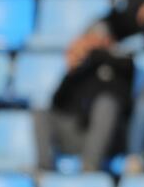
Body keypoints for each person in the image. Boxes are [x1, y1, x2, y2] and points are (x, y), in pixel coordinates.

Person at [34, 43, 133, 172]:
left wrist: (93, 55)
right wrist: (70, 73)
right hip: (75, 135)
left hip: (106, 139)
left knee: (106, 105)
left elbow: (124, 96)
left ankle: (90, 166)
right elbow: (57, 103)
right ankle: (44, 168)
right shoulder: (77, 75)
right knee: (40, 112)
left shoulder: (117, 69)